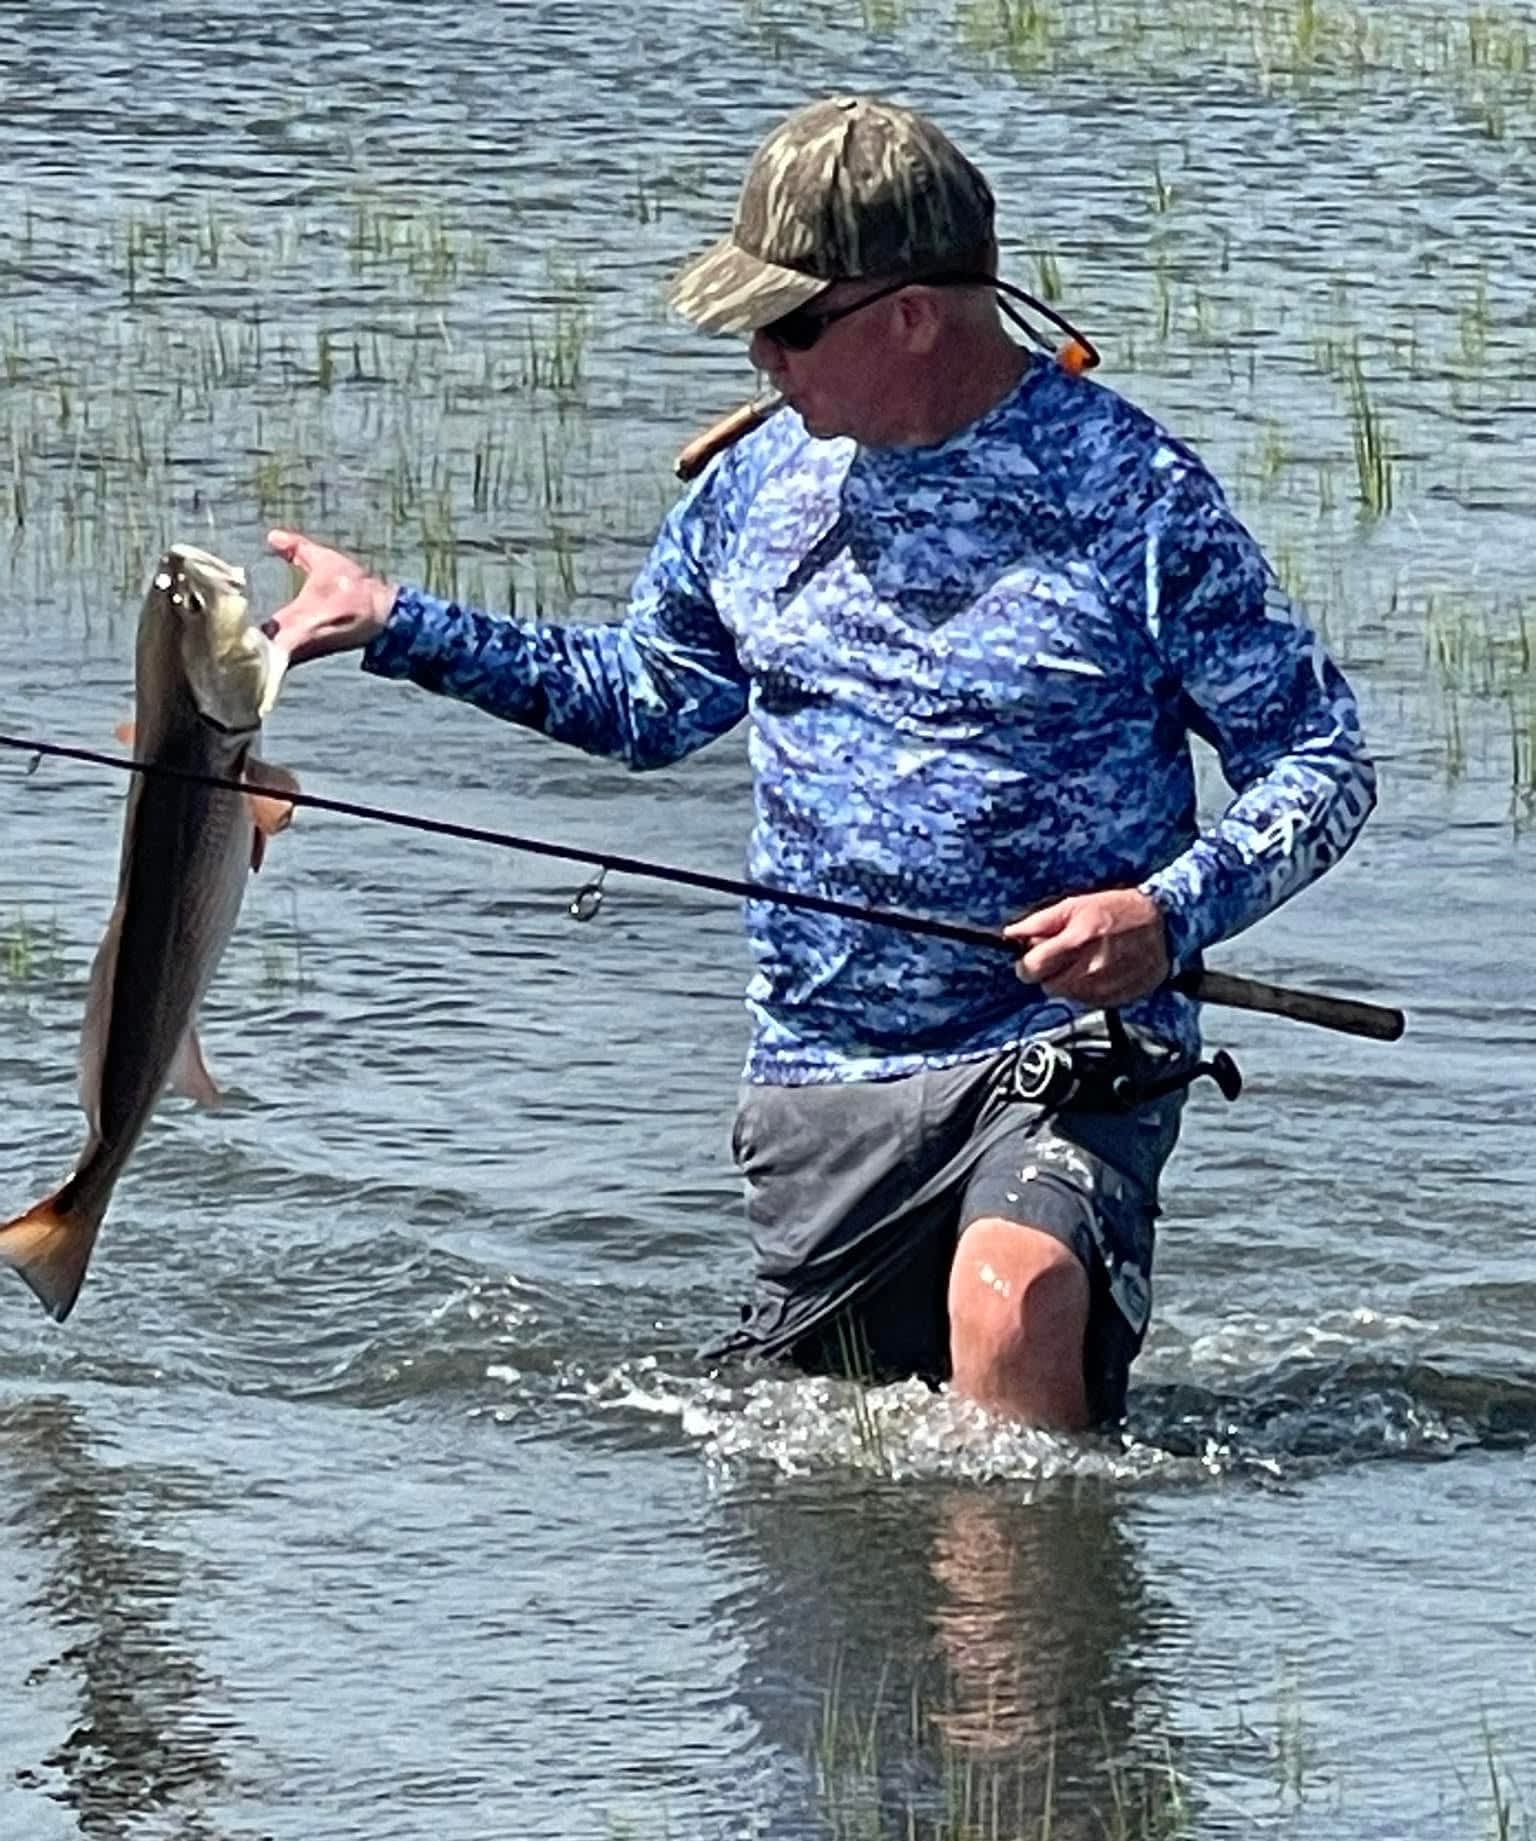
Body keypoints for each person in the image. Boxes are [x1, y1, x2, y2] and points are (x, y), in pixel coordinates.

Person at [263, 95, 1375, 1433]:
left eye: (791, 324)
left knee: (1015, 1304)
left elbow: (1322, 757)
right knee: (828, 1528)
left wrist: (1167, 915)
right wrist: (396, 624)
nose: (760, 356)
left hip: (1062, 1051)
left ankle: (1037, 1643)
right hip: (821, 1079)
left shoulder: (1133, 499)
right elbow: (648, 702)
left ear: (912, 313)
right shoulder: (751, 493)